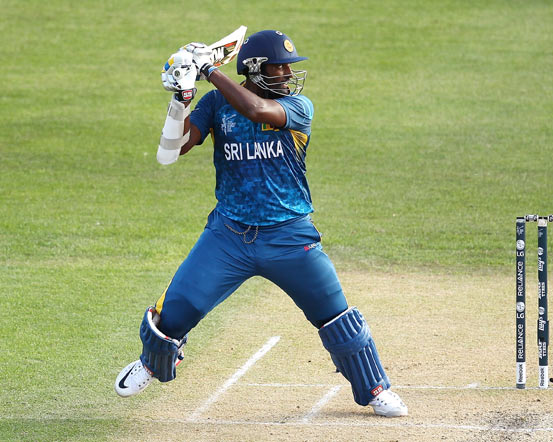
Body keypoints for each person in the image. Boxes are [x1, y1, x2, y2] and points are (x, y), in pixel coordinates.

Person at [114, 29, 407, 417]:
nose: (288, 73)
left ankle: (374, 390)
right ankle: (152, 363)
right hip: (229, 236)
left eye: (289, 67)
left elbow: (256, 111)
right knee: (174, 312)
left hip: (289, 236)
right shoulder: (217, 104)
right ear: (254, 69)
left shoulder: (299, 107)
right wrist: (181, 99)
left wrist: (208, 69)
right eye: (280, 66)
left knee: (335, 315)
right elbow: (172, 151)